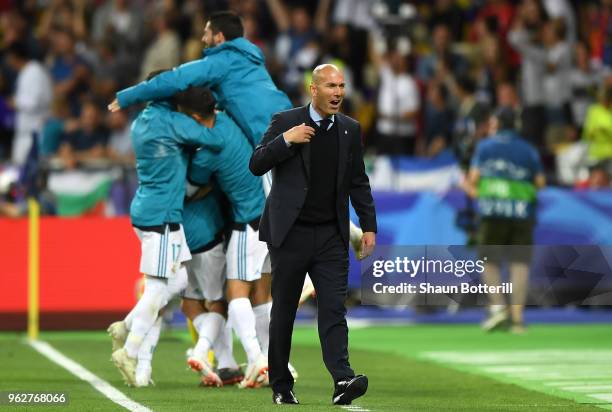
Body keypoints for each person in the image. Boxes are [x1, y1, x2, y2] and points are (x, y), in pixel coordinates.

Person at [249, 64, 377, 405]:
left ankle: (342, 379)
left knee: (334, 308)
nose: (337, 92)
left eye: (341, 86)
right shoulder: (285, 122)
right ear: (313, 89)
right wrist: (285, 141)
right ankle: (280, 384)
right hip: (290, 235)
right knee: (285, 311)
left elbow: (358, 182)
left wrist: (368, 226)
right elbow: (257, 163)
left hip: (331, 237)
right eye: (330, 86)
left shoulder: (349, 129)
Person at [108, 78, 224, 386]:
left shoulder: (140, 122)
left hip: (144, 210)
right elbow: (211, 136)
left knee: (178, 281)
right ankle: (129, 350)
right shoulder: (172, 122)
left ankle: (129, 325)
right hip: (163, 217)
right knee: (159, 290)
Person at [175, 86, 272, 389]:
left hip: (248, 221)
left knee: (236, 294)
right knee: (261, 296)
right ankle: (273, 359)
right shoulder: (229, 119)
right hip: (270, 211)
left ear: (193, 116)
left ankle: (258, 360)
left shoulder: (208, 151)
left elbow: (185, 192)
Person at [466, 107, 545, 334]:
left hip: (493, 212)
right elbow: (540, 182)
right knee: (519, 265)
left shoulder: (485, 147)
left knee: (489, 261)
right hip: (521, 213)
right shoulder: (528, 150)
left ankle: (499, 307)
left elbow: (473, 180)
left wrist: (477, 191)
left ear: (497, 123)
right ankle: (518, 320)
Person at [5, 41, 53, 165]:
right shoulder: (26, 71)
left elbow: (34, 102)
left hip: (35, 131)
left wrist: (15, 102)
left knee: (31, 174)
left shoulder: (34, 71)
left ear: (14, 56)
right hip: (25, 132)